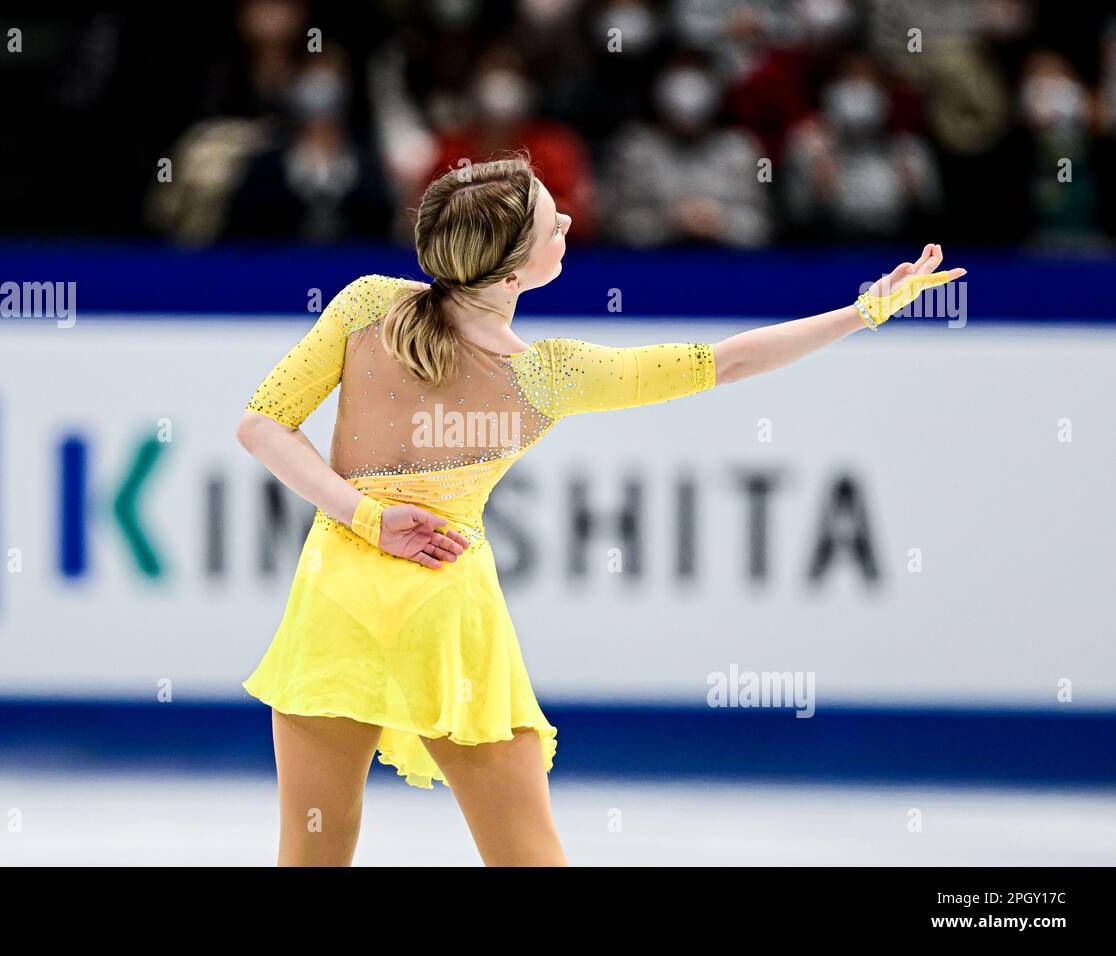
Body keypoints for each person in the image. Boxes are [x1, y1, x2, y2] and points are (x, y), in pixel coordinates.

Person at [235, 154, 964, 866]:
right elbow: (727, 361)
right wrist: (862, 313)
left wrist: (365, 515)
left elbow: (262, 424)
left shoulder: (366, 303)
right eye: (555, 221)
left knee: (311, 856)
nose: (571, 220)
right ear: (514, 273)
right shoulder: (549, 376)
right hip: (445, 622)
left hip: (332, 610)